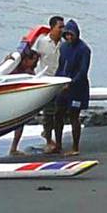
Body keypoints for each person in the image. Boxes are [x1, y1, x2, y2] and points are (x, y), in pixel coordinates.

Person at [53, 19, 91, 156]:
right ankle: (58, 144)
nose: (69, 37)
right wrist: (56, 82)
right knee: (58, 114)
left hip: (78, 88)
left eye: (71, 34)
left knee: (73, 115)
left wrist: (71, 83)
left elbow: (83, 71)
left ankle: (75, 147)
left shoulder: (84, 49)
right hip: (63, 86)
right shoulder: (64, 47)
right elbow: (60, 66)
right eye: (67, 35)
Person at [32, 15, 65, 153]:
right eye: (59, 27)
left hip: (60, 80)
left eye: (63, 27)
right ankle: (48, 140)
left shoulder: (64, 43)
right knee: (48, 113)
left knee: (60, 112)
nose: (62, 30)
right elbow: (33, 58)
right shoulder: (42, 42)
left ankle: (56, 140)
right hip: (46, 81)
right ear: (52, 28)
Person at [8, 49, 40, 155]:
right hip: (8, 97)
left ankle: (14, 148)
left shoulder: (30, 71)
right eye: (34, 61)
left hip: (19, 99)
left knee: (20, 123)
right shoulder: (13, 67)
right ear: (26, 60)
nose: (36, 64)